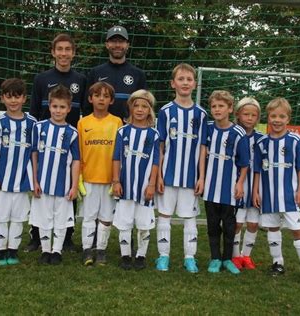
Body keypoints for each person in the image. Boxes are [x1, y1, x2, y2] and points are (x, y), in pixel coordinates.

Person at [252, 97, 300, 285]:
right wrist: (255, 191)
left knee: (297, 230)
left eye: (281, 116)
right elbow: (258, 170)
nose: (277, 120)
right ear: (268, 118)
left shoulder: (295, 140)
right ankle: (277, 263)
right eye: (273, 116)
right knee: (273, 228)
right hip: (268, 195)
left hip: (290, 196)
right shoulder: (262, 142)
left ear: (288, 119)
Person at [28, 33, 86, 252]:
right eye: (59, 49)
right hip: (45, 146)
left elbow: (85, 113)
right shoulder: (41, 79)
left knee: (68, 189)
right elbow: (34, 111)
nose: (63, 53)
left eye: (67, 49)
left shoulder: (80, 80)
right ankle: (36, 236)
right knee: (41, 192)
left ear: (73, 52)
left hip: (68, 145)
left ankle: (67, 237)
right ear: (53, 52)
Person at [155, 64, 207, 273]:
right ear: (173, 83)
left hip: (190, 176)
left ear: (195, 83)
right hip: (167, 175)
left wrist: (202, 177)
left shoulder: (201, 114)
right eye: (181, 79)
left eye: (189, 79)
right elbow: (160, 145)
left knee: (190, 217)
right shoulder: (166, 111)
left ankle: (189, 257)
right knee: (165, 215)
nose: (185, 83)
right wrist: (157, 175)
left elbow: (203, 148)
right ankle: (163, 256)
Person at [0, 78, 37, 266]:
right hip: (1, 179)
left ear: (24, 98)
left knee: (18, 218)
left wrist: (34, 179)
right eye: (9, 97)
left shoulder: (32, 123)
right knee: (0, 217)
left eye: (17, 97)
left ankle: (13, 250)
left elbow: (34, 152)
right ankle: (1, 251)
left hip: (22, 181)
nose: (13, 101)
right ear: (2, 99)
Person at [30, 85, 80, 265]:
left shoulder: (72, 133)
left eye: (62, 107)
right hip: (42, 183)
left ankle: (57, 250)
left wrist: (74, 186)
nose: (58, 110)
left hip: (63, 185)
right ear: (49, 106)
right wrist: (34, 180)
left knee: (60, 219)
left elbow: (76, 161)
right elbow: (34, 155)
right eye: (55, 106)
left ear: (69, 108)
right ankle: (45, 250)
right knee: (43, 217)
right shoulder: (39, 127)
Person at [203, 90, 249, 275]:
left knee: (229, 226)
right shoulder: (207, 128)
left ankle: (228, 259)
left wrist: (239, 183)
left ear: (230, 108)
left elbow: (244, 163)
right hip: (210, 188)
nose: (217, 109)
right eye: (214, 106)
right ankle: (215, 258)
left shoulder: (238, 133)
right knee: (213, 226)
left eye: (221, 106)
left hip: (229, 189)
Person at [112, 89, 159, 270]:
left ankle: (140, 256)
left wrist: (152, 184)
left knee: (144, 224)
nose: (140, 109)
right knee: (124, 223)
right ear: (130, 108)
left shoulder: (153, 135)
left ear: (150, 110)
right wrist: (116, 181)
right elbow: (116, 157)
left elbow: (155, 161)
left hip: (144, 187)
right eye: (136, 105)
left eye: (144, 106)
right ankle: (125, 256)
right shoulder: (123, 132)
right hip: (125, 186)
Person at [78, 82, 123, 266]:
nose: (101, 99)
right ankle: (87, 250)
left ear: (111, 100)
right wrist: (79, 176)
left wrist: (117, 178)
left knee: (106, 217)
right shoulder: (83, 122)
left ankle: (101, 250)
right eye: (97, 95)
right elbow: (79, 152)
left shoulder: (117, 122)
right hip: (89, 177)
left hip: (110, 179)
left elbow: (119, 152)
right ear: (90, 99)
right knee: (89, 216)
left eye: (105, 96)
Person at [84, 25, 147, 121]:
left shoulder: (138, 74)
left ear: (127, 45)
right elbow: (87, 106)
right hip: (101, 131)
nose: (117, 45)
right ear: (107, 44)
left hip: (129, 130)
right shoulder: (95, 73)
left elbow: (144, 105)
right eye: (113, 41)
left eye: (121, 41)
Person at [231, 97, 263, 270]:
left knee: (253, 223)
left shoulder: (261, 138)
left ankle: (246, 256)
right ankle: (235, 256)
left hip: (254, 188)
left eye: (253, 115)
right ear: (238, 115)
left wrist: (257, 190)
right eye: (246, 114)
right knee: (237, 223)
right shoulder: (233, 133)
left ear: (258, 118)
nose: (249, 118)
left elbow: (259, 167)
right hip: (237, 187)